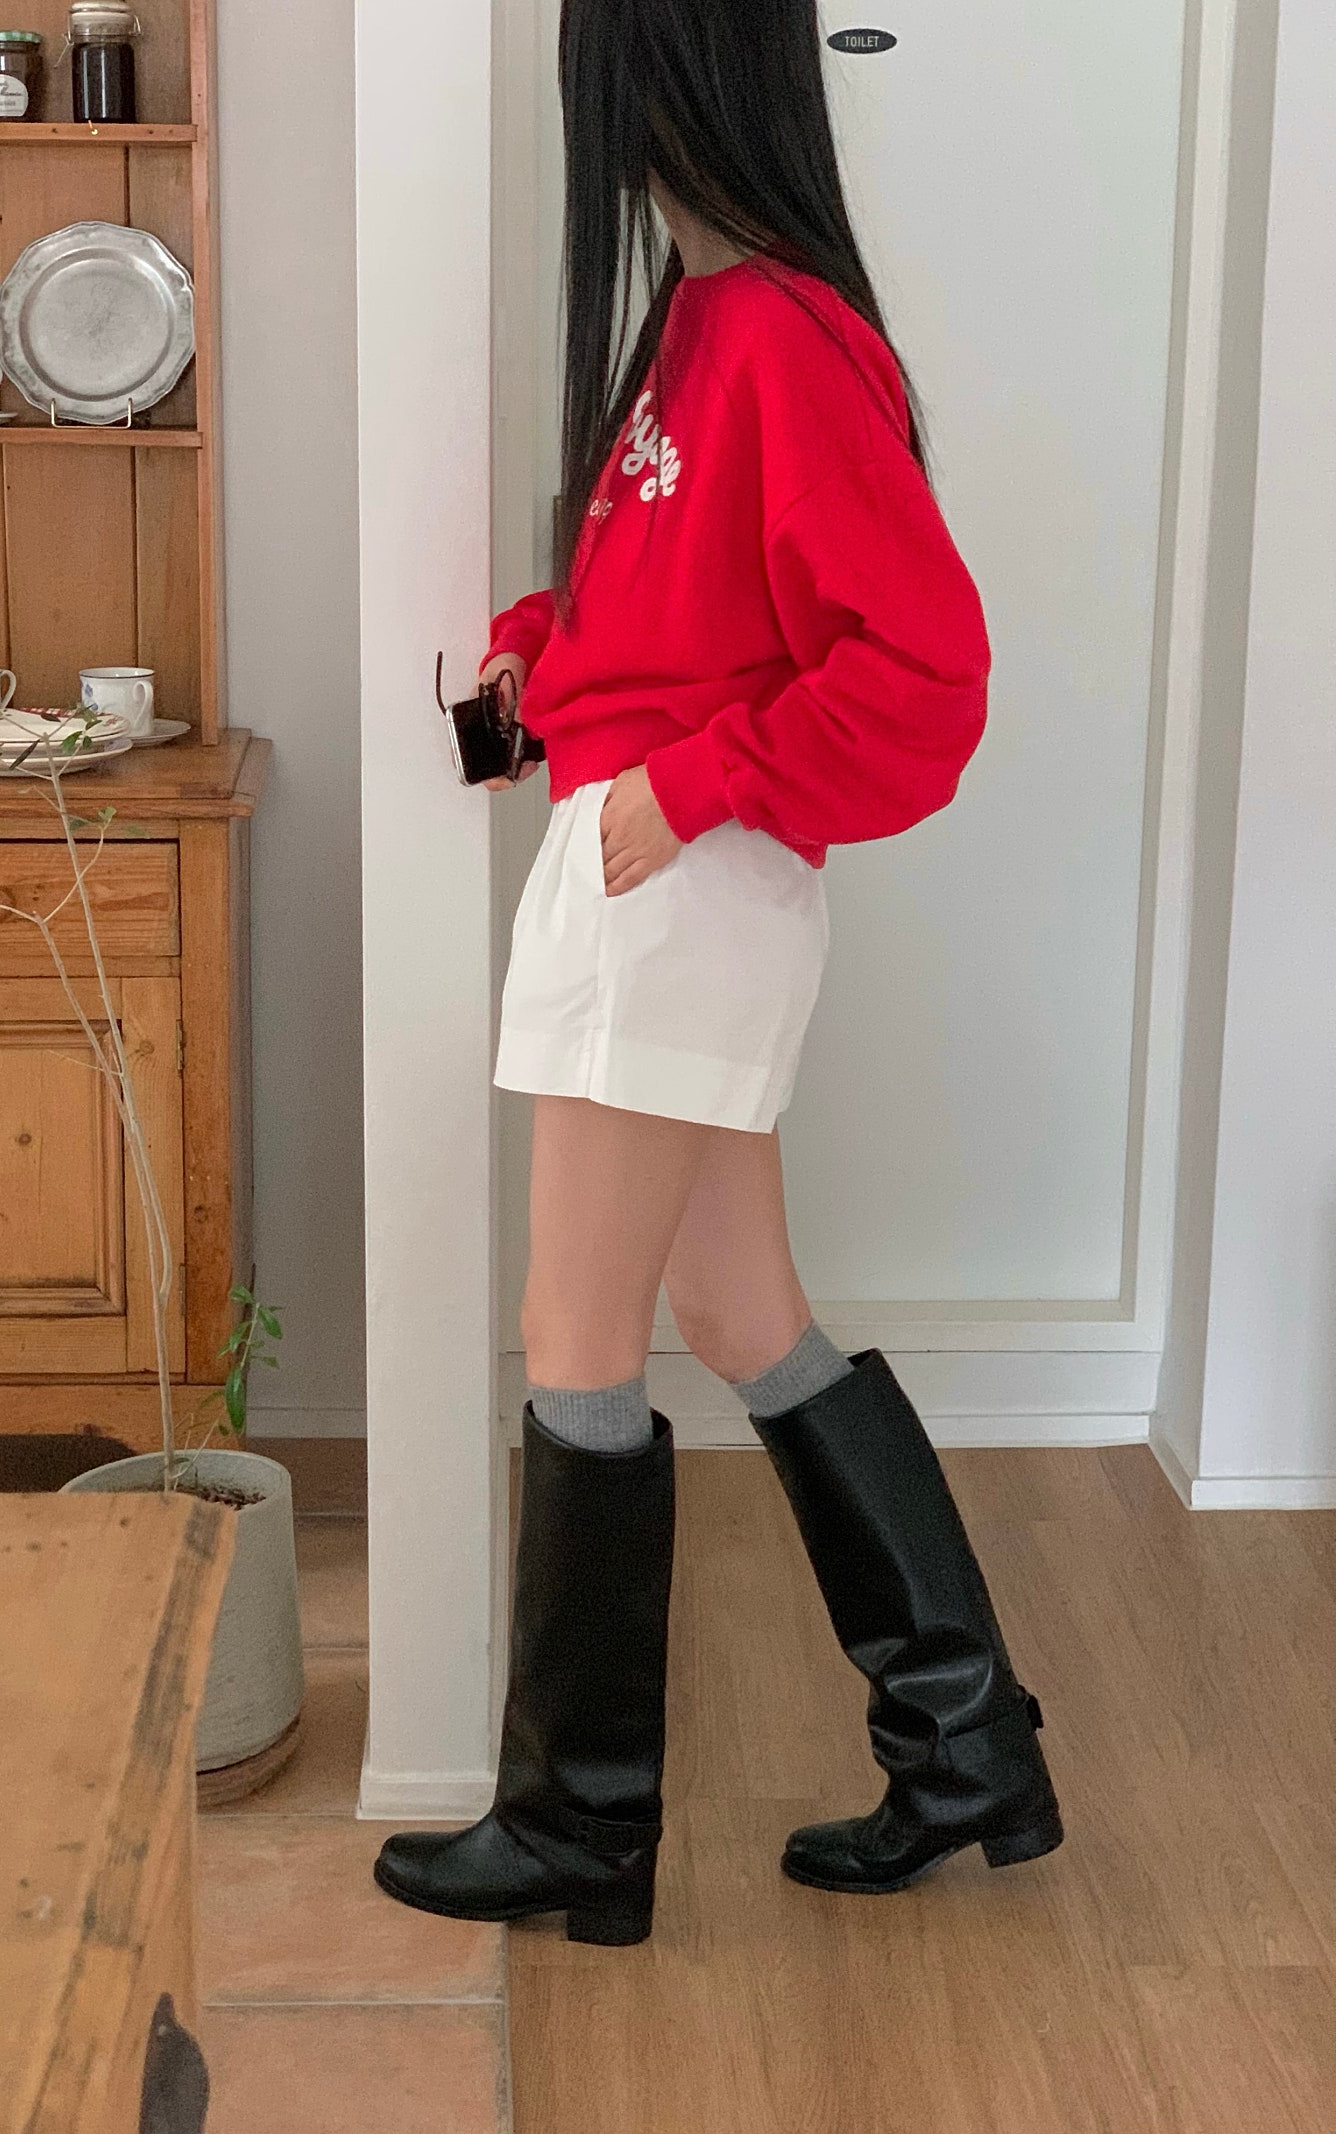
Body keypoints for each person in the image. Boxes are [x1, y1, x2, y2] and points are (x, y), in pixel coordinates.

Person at [374, 0, 1061, 1947]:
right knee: (739, 1305)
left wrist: (688, 782)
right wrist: (545, 656)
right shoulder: (700, 323)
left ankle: (579, 1827)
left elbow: (922, 672)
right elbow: (677, 600)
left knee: (572, 1329)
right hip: (653, 870)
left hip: (675, 888)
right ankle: (967, 1744)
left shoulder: (778, 333)